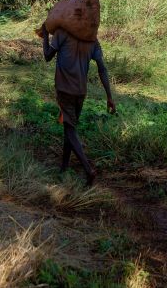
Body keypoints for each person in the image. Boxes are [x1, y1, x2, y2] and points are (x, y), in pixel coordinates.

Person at [40, 23, 116, 185]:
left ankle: (88, 170)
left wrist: (45, 34)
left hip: (64, 89)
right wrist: (109, 96)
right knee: (70, 126)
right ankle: (64, 167)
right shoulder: (91, 39)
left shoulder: (61, 33)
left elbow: (47, 56)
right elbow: (102, 68)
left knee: (70, 129)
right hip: (81, 91)